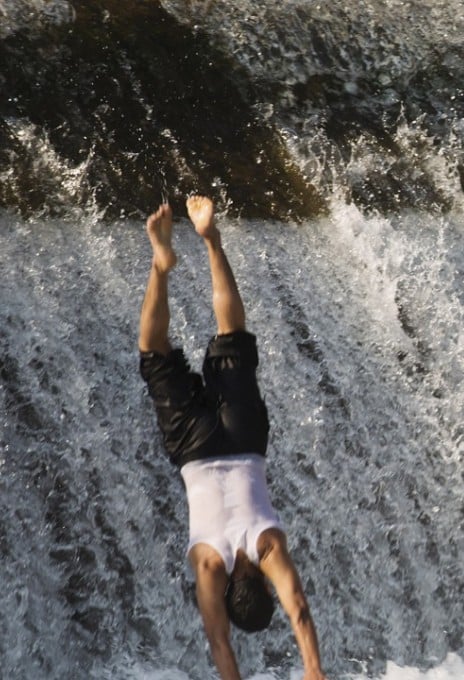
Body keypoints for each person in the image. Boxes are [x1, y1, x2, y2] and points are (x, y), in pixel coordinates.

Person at [138, 196, 327, 679]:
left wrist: (314, 669)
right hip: (193, 447)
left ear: (263, 586)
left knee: (232, 335)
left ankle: (211, 240)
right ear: (226, 593)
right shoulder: (209, 566)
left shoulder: (269, 548)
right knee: (154, 354)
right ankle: (161, 265)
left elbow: (299, 608)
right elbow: (220, 642)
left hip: (244, 441)